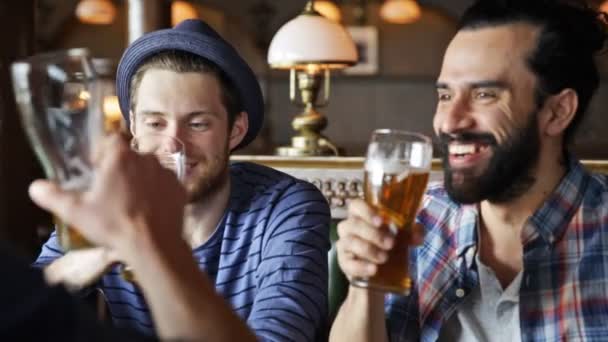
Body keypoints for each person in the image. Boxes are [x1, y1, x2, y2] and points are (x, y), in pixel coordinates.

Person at [34, 20, 331, 341]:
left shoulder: (286, 208)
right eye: (156, 123)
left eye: (198, 124)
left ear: (236, 130)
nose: (174, 144)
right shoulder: (111, 203)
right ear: (133, 125)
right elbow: (20, 310)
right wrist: (74, 269)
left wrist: (152, 251)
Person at [330, 0, 608, 341]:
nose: (449, 121)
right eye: (445, 95)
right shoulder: (417, 219)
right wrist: (365, 285)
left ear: (557, 112)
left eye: (485, 94)